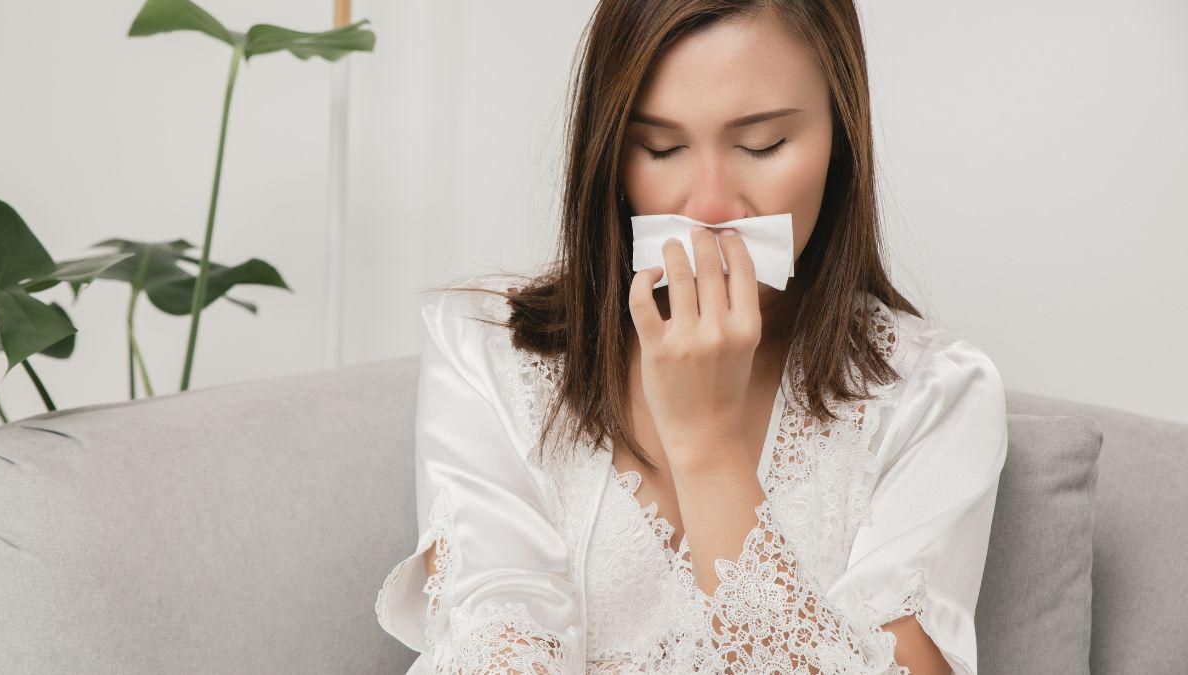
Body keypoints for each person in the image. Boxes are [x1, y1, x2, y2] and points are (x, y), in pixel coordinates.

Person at [375, 1, 1007, 673]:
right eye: (661, 147)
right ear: (611, 154)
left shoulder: (936, 394)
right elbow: (492, 636)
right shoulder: (488, 353)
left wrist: (706, 443)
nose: (708, 207)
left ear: (840, 139)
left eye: (762, 145)